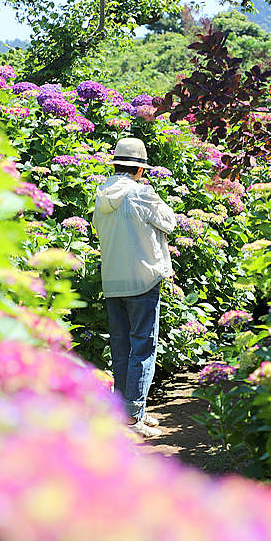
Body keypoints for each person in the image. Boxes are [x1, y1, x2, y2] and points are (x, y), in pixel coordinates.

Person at [92, 137, 176, 438]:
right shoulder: (141, 194)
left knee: (121, 348)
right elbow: (170, 222)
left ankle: (128, 410)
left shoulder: (101, 196)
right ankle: (132, 418)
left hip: (113, 281)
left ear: (115, 164)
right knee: (143, 347)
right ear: (140, 169)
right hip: (142, 280)